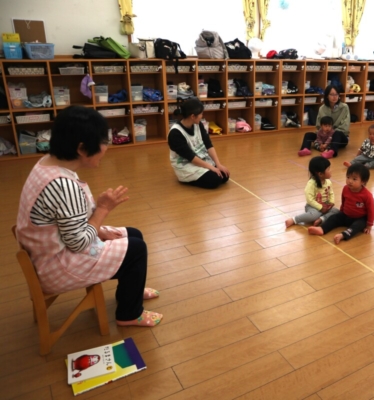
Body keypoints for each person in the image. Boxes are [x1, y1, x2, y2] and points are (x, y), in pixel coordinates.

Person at [15, 106, 162, 327]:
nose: (106, 148)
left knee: (133, 235)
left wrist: (99, 229)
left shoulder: (46, 163)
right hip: (58, 266)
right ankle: (129, 314)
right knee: (136, 249)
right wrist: (102, 209)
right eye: (103, 142)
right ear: (82, 148)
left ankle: (131, 292)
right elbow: (78, 243)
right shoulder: (63, 185)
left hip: (48, 252)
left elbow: (68, 222)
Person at [168, 98, 230, 189]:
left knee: (224, 175)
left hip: (200, 158)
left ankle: (208, 172)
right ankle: (187, 179)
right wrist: (212, 168)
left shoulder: (198, 124)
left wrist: (218, 164)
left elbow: (208, 144)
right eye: (201, 113)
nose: (202, 116)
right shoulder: (175, 133)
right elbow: (190, 157)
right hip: (186, 164)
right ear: (193, 116)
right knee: (215, 180)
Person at [307, 164, 374, 244]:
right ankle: (322, 229)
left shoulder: (367, 195)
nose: (350, 181)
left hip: (359, 218)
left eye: (354, 179)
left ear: (363, 181)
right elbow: (344, 201)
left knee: (357, 225)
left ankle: (343, 235)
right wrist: (341, 211)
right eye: (348, 177)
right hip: (346, 215)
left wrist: (369, 225)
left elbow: (371, 211)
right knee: (334, 218)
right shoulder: (345, 188)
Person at [285, 156, 339, 228]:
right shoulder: (311, 184)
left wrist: (331, 202)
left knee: (337, 211)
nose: (331, 171)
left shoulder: (328, 182)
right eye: (328, 169)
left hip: (325, 206)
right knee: (314, 214)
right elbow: (310, 200)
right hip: (313, 207)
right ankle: (294, 219)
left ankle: (321, 219)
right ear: (320, 174)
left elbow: (331, 193)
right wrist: (320, 208)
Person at [298, 85, 350, 158]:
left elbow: (345, 126)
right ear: (327, 96)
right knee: (308, 135)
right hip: (324, 136)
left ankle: (331, 151)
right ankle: (305, 149)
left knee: (337, 133)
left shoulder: (344, 107)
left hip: (339, 137)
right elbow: (318, 125)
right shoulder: (322, 108)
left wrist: (330, 134)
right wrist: (322, 136)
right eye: (332, 94)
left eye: (336, 94)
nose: (334, 97)